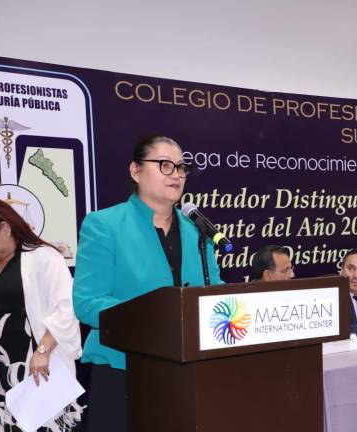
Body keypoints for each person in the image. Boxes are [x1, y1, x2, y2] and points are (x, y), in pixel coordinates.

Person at [73, 136, 223, 431]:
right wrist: (157, 318)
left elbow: (214, 290)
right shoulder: (104, 225)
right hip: (123, 370)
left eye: (181, 167)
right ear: (135, 171)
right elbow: (87, 302)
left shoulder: (198, 231)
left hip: (188, 371)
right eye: (165, 165)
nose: (177, 174)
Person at [0, 197, 83, 431]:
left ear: (5, 228)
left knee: (41, 425)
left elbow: (67, 309)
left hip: (37, 364)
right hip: (0, 368)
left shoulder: (45, 257)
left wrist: (42, 350)